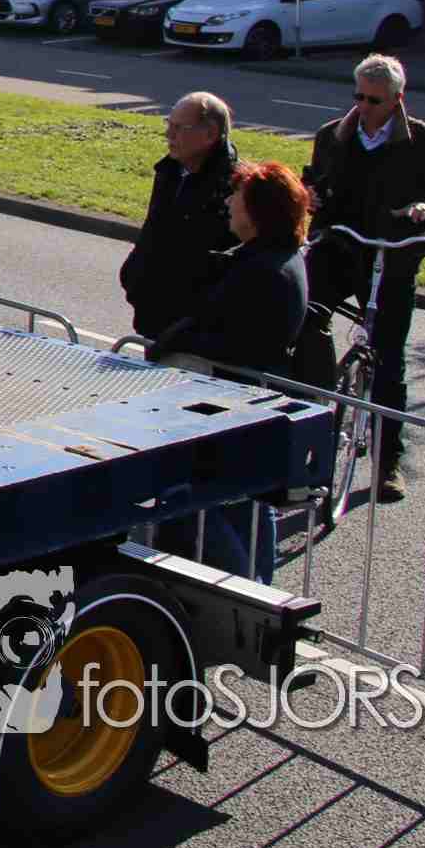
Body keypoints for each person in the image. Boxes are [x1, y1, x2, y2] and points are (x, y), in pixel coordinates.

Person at [301, 54, 425, 502]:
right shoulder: (332, 136)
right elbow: (312, 181)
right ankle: (311, 418)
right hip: (339, 249)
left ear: (398, 98)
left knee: (389, 362)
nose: (364, 107)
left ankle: (387, 463)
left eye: (374, 100)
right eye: (358, 97)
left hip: (392, 258)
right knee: (305, 322)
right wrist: (311, 196)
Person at [147, 159, 310, 580]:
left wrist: (168, 344)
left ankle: (244, 592)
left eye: (237, 197)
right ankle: (260, 587)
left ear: (257, 212)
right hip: (252, 409)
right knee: (247, 505)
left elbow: (226, 338)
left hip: (231, 409)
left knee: (201, 505)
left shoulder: (263, 272)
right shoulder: (275, 258)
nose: (229, 204)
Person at [119, 92, 239, 341]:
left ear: (210, 134)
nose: (168, 135)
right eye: (169, 124)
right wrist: (134, 275)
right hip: (153, 313)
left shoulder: (234, 186)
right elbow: (153, 231)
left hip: (192, 329)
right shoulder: (169, 172)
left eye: (179, 128)